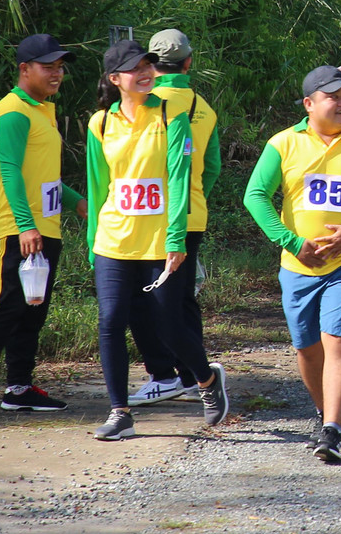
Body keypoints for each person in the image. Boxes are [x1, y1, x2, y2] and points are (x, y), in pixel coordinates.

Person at [245, 66, 341, 461]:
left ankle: (332, 427)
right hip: (297, 264)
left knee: (338, 341)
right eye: (333, 96)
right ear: (309, 104)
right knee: (307, 349)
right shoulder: (283, 143)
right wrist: (291, 242)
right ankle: (322, 410)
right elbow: (256, 196)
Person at [87, 40, 229, 441]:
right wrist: (91, 242)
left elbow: (181, 179)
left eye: (148, 64)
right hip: (113, 238)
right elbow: (99, 186)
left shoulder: (172, 114)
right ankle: (119, 413)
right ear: (116, 80)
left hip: (160, 241)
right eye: (135, 68)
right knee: (111, 322)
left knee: (169, 323)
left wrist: (176, 237)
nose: (145, 72)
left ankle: (205, 380)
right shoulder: (100, 122)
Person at [0, 34, 86, 419]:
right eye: (48, 67)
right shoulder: (13, 112)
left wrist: (77, 200)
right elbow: (9, 171)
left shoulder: (41, 110)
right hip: (19, 230)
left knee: (33, 311)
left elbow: (43, 176)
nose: (57, 74)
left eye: (60, 67)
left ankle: (19, 388)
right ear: (24, 69)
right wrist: (26, 226)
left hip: (47, 229)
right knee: (5, 309)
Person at [128, 29, 222, 408]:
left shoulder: (143, 102)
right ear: (188, 62)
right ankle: (189, 372)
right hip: (191, 214)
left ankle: (163, 374)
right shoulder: (203, 106)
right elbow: (211, 167)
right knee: (182, 300)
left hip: (146, 216)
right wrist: (194, 196)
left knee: (147, 300)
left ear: (149, 64)